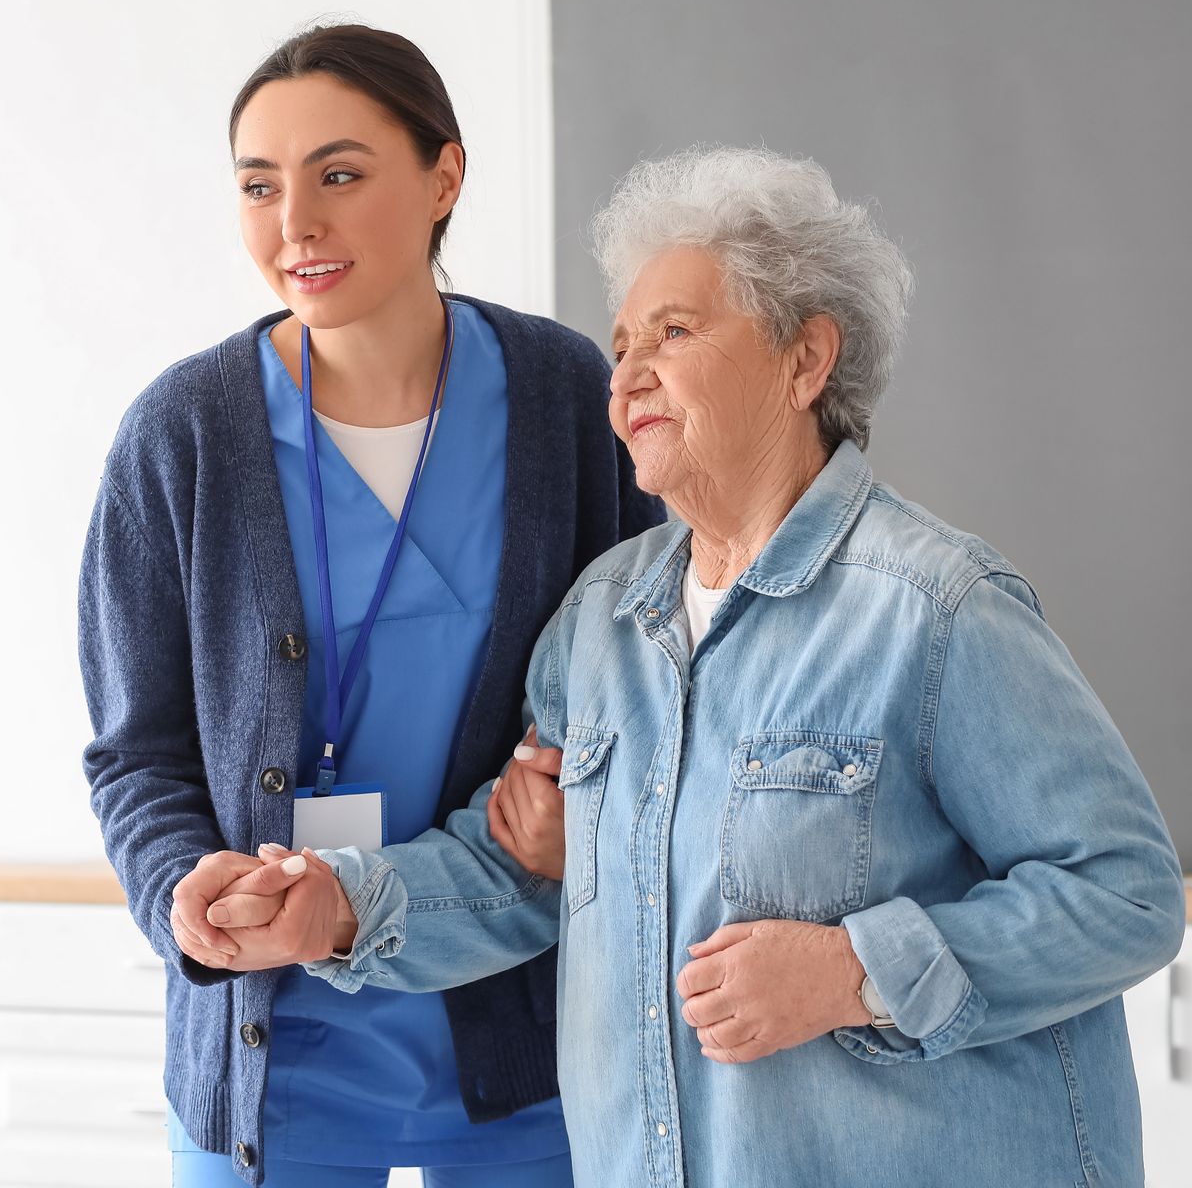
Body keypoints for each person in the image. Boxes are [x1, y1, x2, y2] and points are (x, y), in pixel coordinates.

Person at [191, 145, 1185, 1187]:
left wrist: (853, 973)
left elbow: (1125, 892)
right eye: (621, 345)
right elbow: (519, 875)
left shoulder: (936, 609)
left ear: (806, 361)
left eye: (674, 332)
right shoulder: (602, 620)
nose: (624, 376)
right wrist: (334, 906)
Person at [77, 24, 662, 1186]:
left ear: (444, 176)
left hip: (526, 1041)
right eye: (260, 184)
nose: (296, 221)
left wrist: (584, 800)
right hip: (271, 1050)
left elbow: (657, 680)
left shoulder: (568, 401)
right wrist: (181, 894)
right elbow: (135, 754)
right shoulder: (182, 434)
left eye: (339, 174)